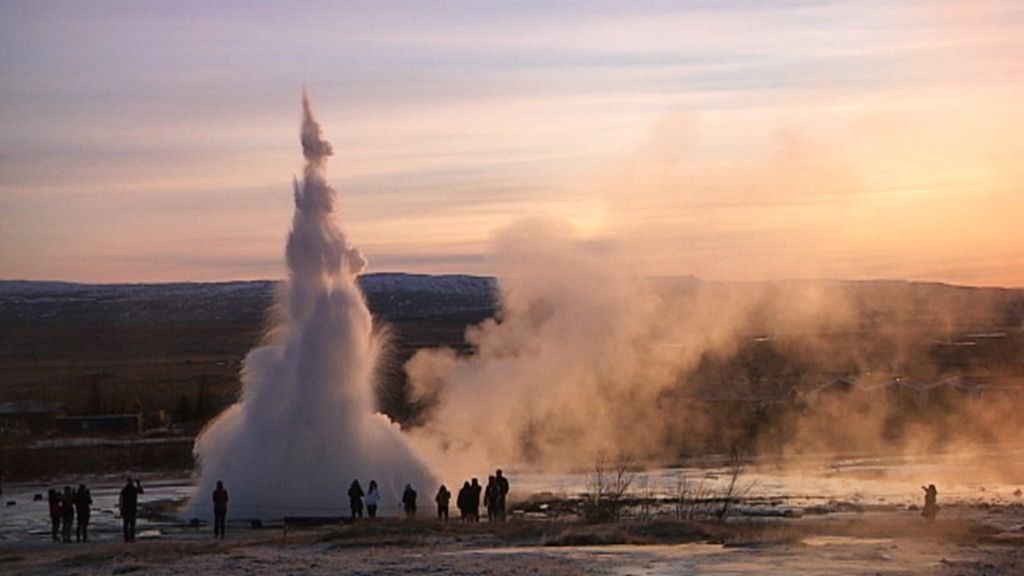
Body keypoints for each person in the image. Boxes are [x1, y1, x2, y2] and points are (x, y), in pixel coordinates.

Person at [119, 477, 144, 542]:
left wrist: (121, 508)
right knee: (131, 524)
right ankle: (131, 538)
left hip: (127, 508)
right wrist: (138, 484)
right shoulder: (132, 489)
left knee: (127, 524)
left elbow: (120, 499)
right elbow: (141, 491)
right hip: (131, 508)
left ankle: (127, 538)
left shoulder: (125, 489)